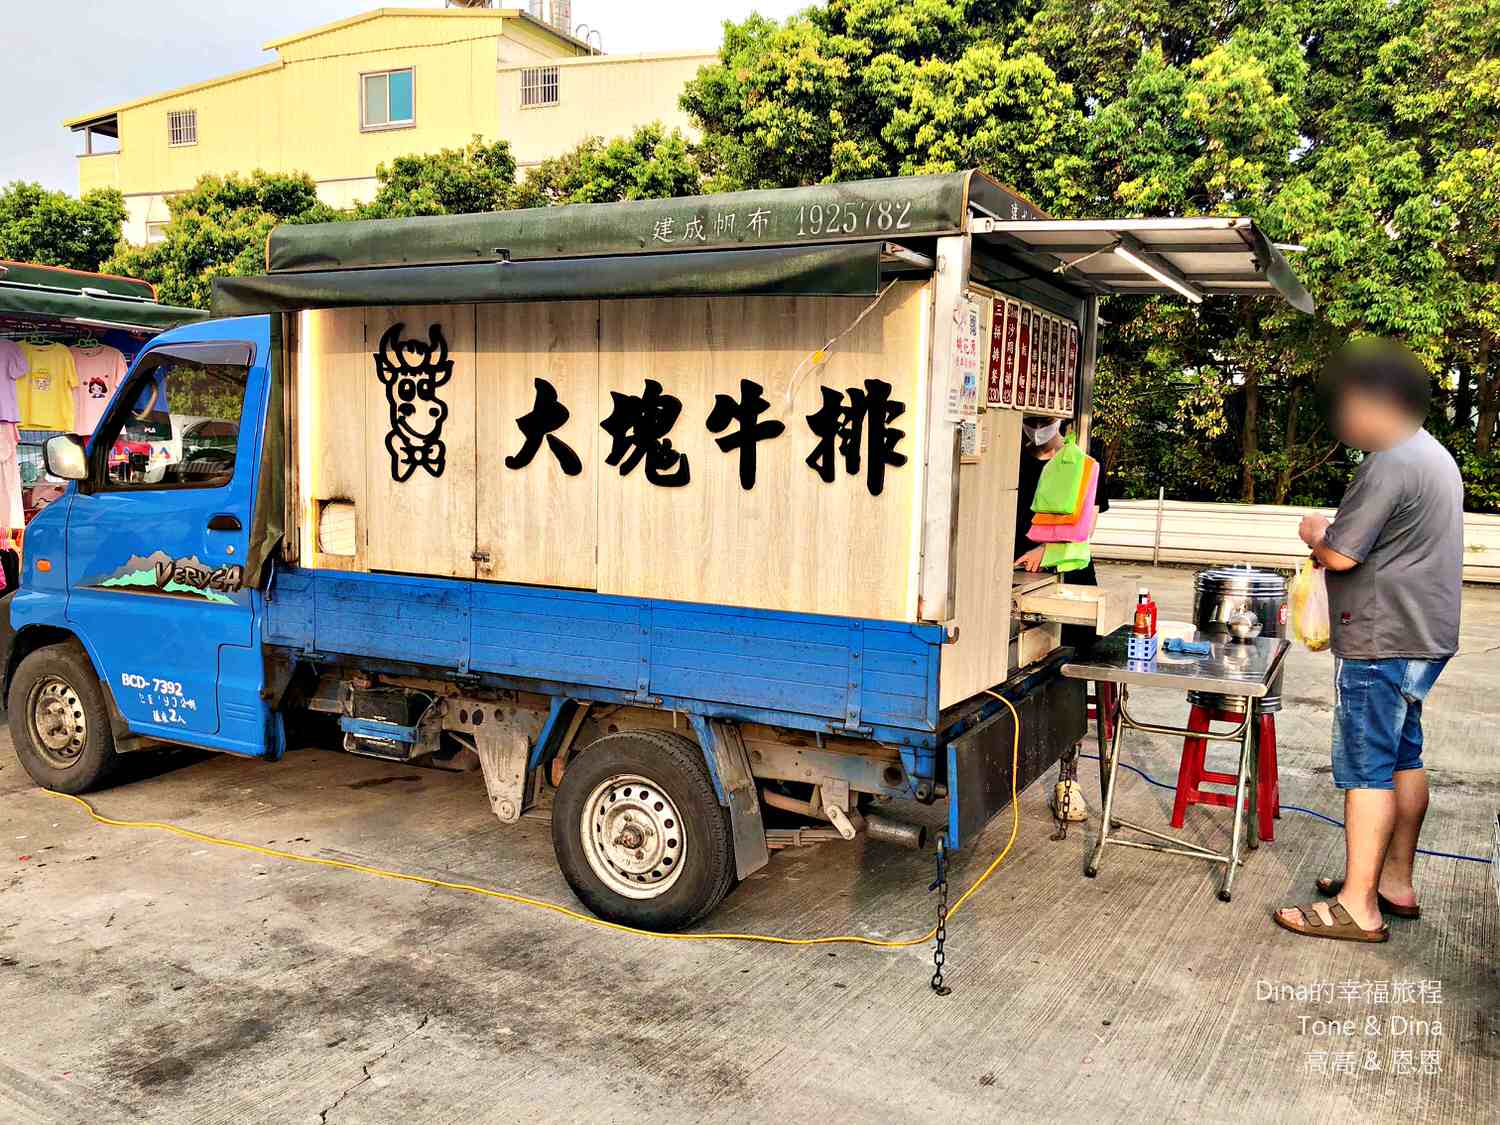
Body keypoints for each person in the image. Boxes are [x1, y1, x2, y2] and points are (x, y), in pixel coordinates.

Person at [1273, 340, 1463, 944]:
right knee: (1405, 756)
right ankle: (1394, 883)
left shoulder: (1388, 460)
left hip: (1382, 639)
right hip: (1422, 637)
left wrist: (1313, 530)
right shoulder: (1433, 455)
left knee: (1368, 769)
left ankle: (1359, 907)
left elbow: (1341, 553)